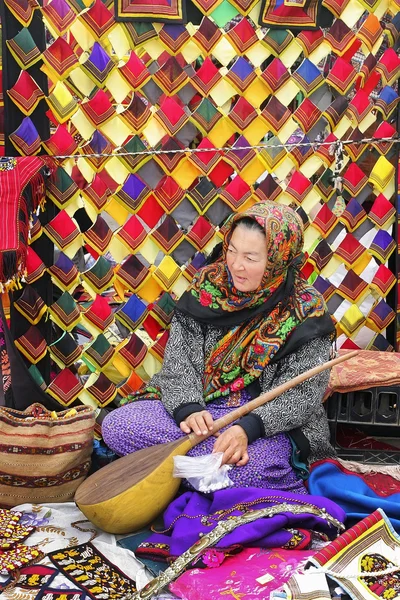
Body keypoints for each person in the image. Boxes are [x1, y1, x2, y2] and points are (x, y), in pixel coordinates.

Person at [102, 201, 336, 494]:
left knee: (251, 471)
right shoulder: (208, 288)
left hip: (264, 425)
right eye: (232, 251)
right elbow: (179, 360)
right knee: (118, 426)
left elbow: (302, 395)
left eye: (251, 257)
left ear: (278, 258)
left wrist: (246, 429)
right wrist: (188, 409)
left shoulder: (305, 309)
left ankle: (176, 473)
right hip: (203, 408)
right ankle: (205, 475)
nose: (236, 265)